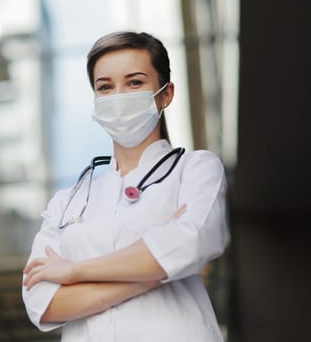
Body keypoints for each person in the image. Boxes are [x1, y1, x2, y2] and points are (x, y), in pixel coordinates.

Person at [22, 31, 227, 341]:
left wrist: (75, 271)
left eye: (134, 83)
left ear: (165, 94)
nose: (118, 97)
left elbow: (194, 242)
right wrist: (154, 272)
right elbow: (42, 303)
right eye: (105, 87)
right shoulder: (67, 202)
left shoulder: (194, 170)